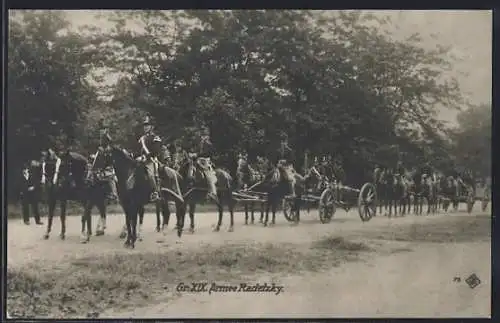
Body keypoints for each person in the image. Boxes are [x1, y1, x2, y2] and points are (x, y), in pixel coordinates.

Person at [138, 116, 163, 202]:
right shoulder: (141, 138)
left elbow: (156, 151)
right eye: (144, 125)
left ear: (151, 127)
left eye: (147, 125)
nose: (145, 127)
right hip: (141, 160)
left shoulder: (155, 137)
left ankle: (155, 192)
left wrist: (147, 156)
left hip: (151, 160)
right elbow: (137, 150)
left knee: (150, 175)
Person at [195, 125, 217, 198]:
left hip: (205, 160)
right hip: (199, 159)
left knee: (208, 174)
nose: (202, 131)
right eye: (201, 130)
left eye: (203, 130)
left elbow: (209, 152)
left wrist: (197, 154)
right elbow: (198, 150)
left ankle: (212, 191)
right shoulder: (200, 141)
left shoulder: (208, 141)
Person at [19, 160, 43, 225]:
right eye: (24, 170)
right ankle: (26, 220)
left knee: (35, 206)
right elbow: (18, 184)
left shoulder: (32, 174)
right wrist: (22, 191)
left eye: (26, 169)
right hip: (24, 192)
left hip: (32, 192)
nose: (25, 171)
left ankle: (37, 220)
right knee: (25, 206)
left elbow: (36, 182)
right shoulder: (20, 176)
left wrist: (33, 187)